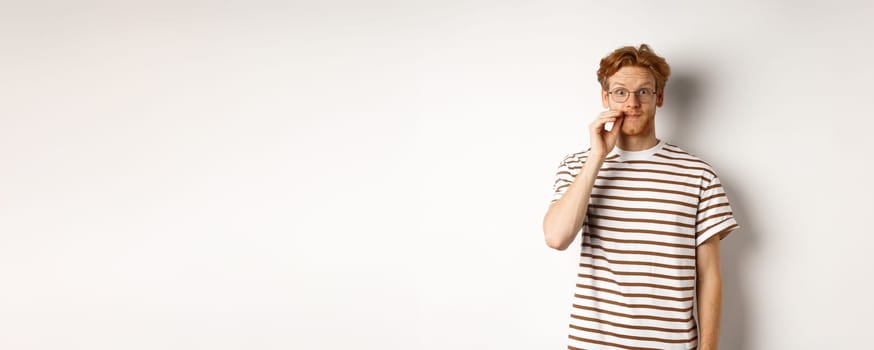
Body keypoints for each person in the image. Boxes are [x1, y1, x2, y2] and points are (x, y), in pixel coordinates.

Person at [542, 44, 739, 350]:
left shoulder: (698, 174)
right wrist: (597, 156)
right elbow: (556, 237)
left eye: (643, 92)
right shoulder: (577, 166)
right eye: (621, 92)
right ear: (605, 98)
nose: (632, 102)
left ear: (659, 97)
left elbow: (709, 275)